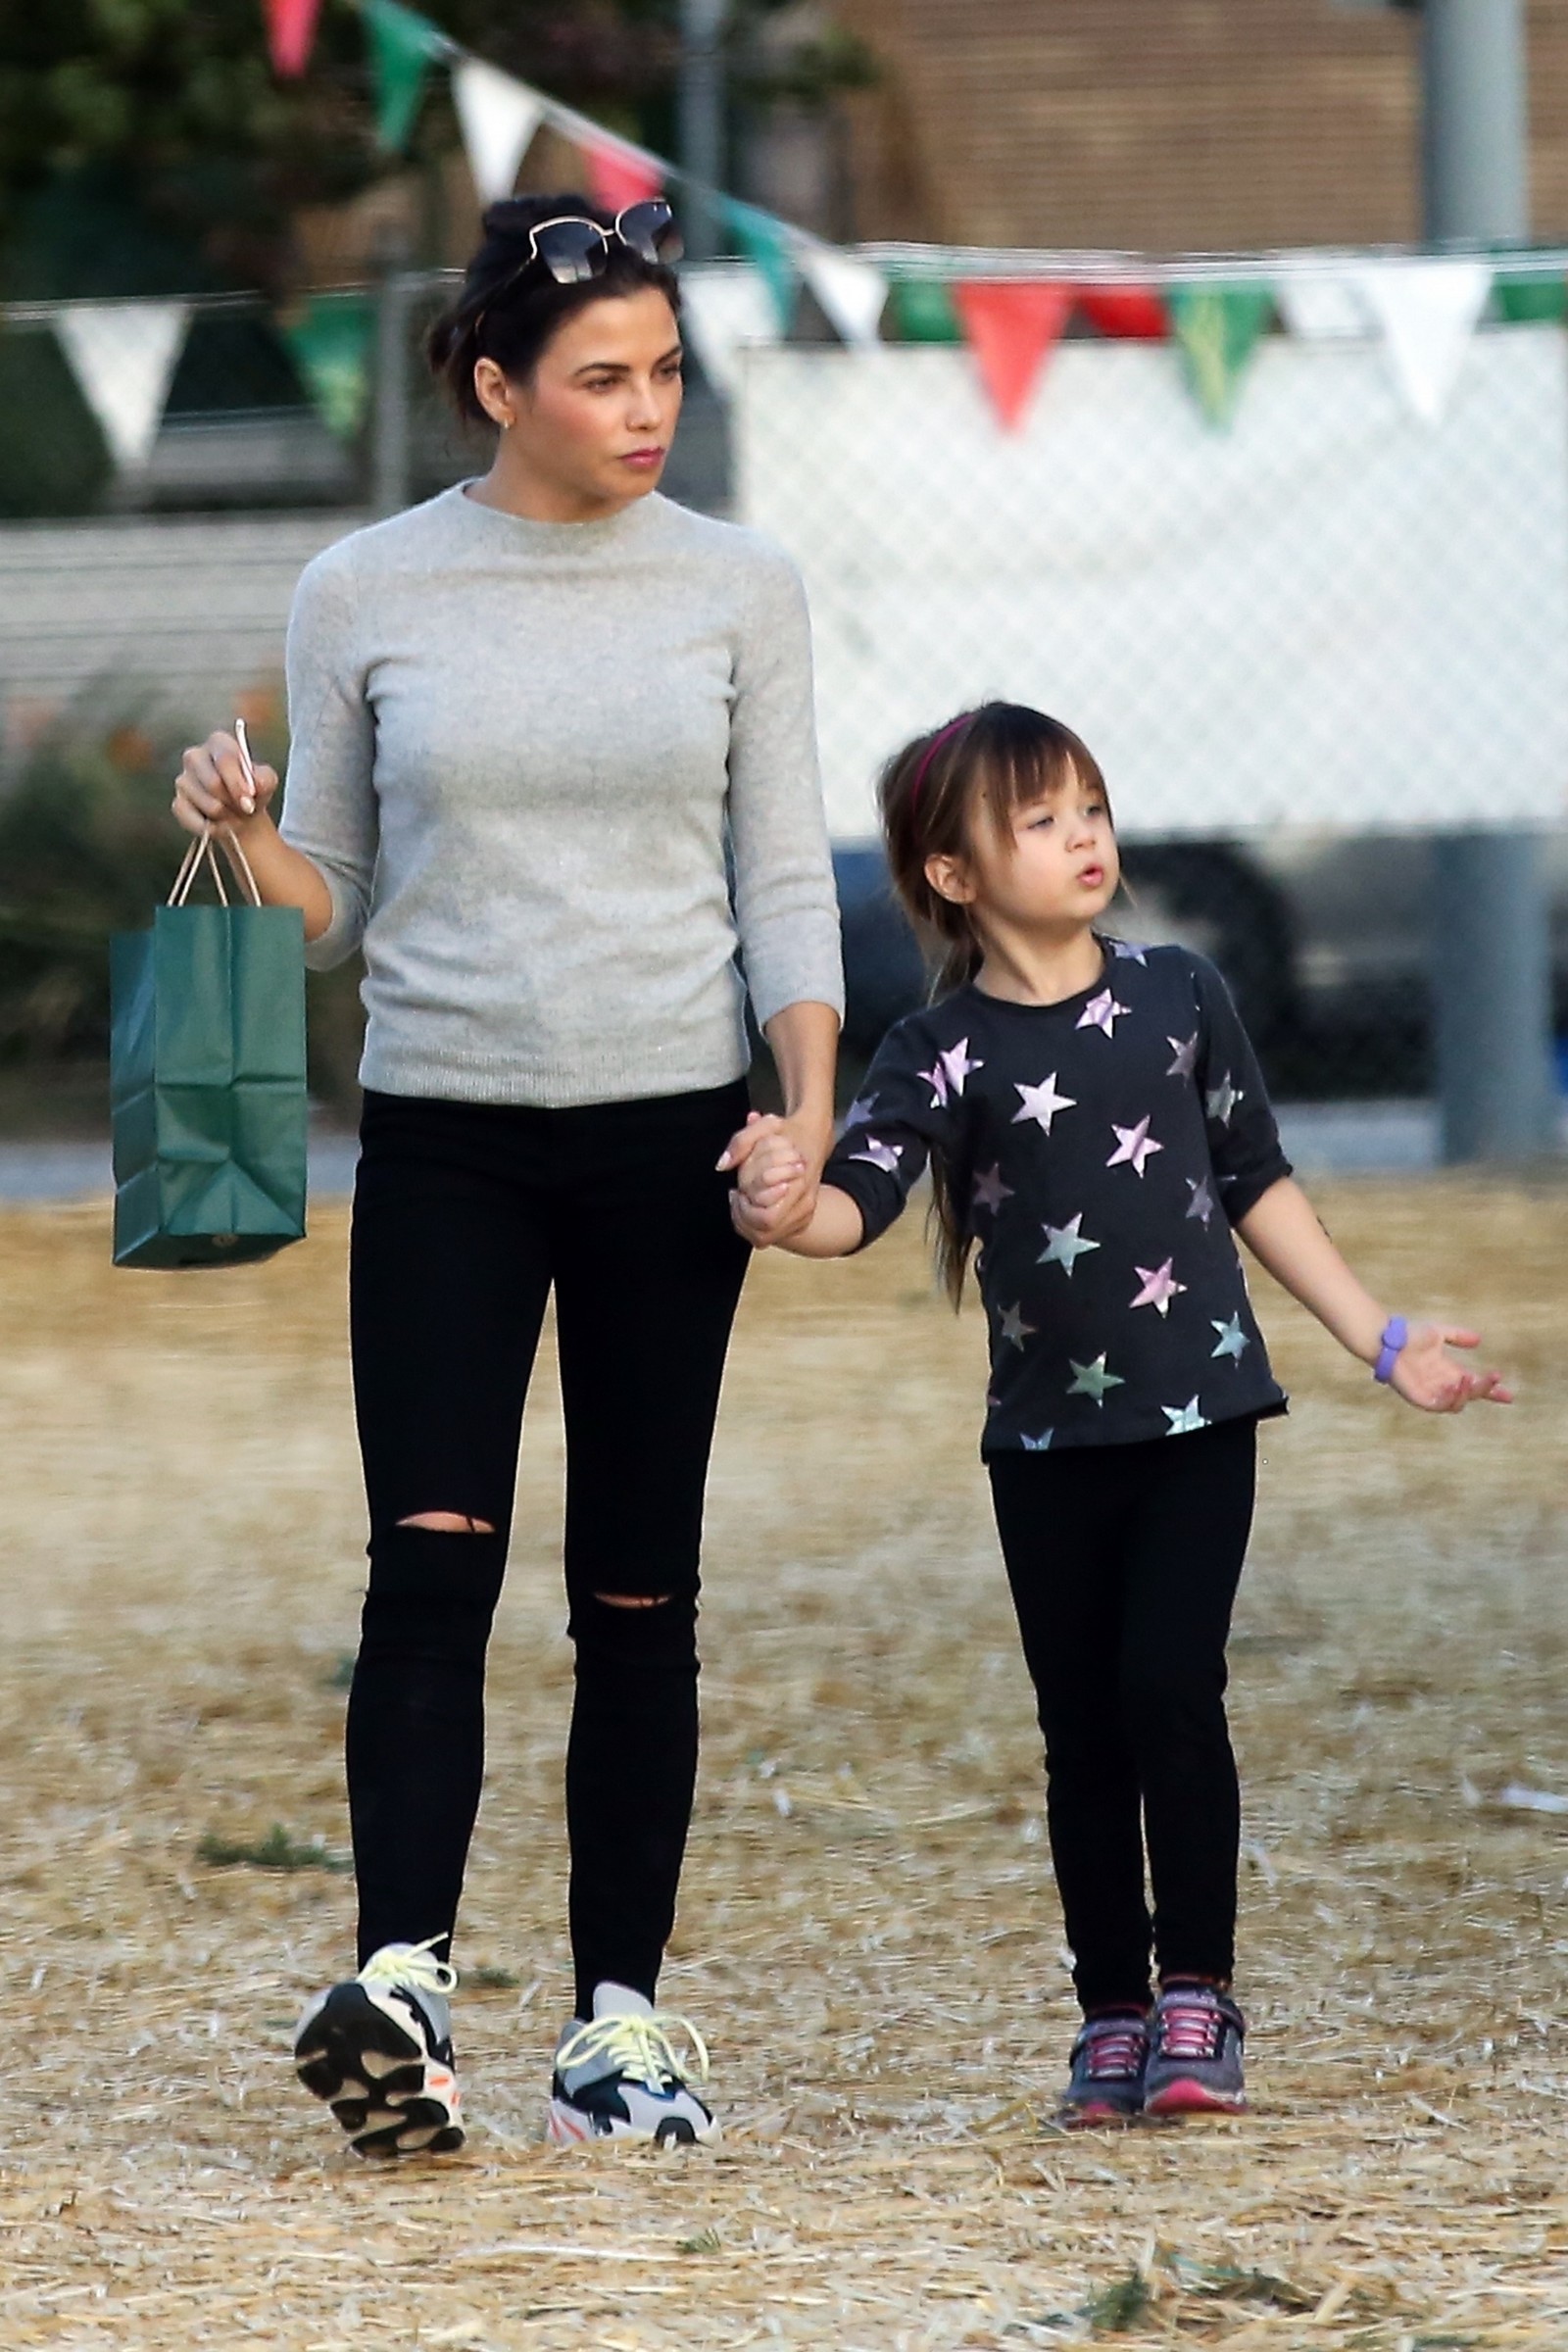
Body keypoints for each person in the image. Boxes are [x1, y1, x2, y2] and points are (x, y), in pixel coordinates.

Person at [172, 194, 842, 2157]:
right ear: (494, 385)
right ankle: (403, 1990)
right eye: (602, 377)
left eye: (665, 372)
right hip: (446, 1136)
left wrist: (801, 1113)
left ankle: (618, 2030)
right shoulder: (362, 588)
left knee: (637, 1591)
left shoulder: (741, 586)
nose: (648, 410)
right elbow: (326, 900)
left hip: (669, 1141)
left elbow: (782, 877)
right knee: (428, 1565)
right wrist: (237, 832)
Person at [731, 702, 1509, 2125]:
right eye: (1040, 820)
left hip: (1203, 1417)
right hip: (1046, 1448)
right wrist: (782, 1206)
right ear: (955, 873)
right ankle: (1112, 2014)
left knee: (1169, 1688)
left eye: (1090, 807)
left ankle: (1198, 1994)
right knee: (1082, 1731)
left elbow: (1257, 1179)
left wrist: (1381, 1336)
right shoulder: (937, 1051)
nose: (1084, 836)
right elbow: (859, 1202)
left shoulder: (1179, 995)